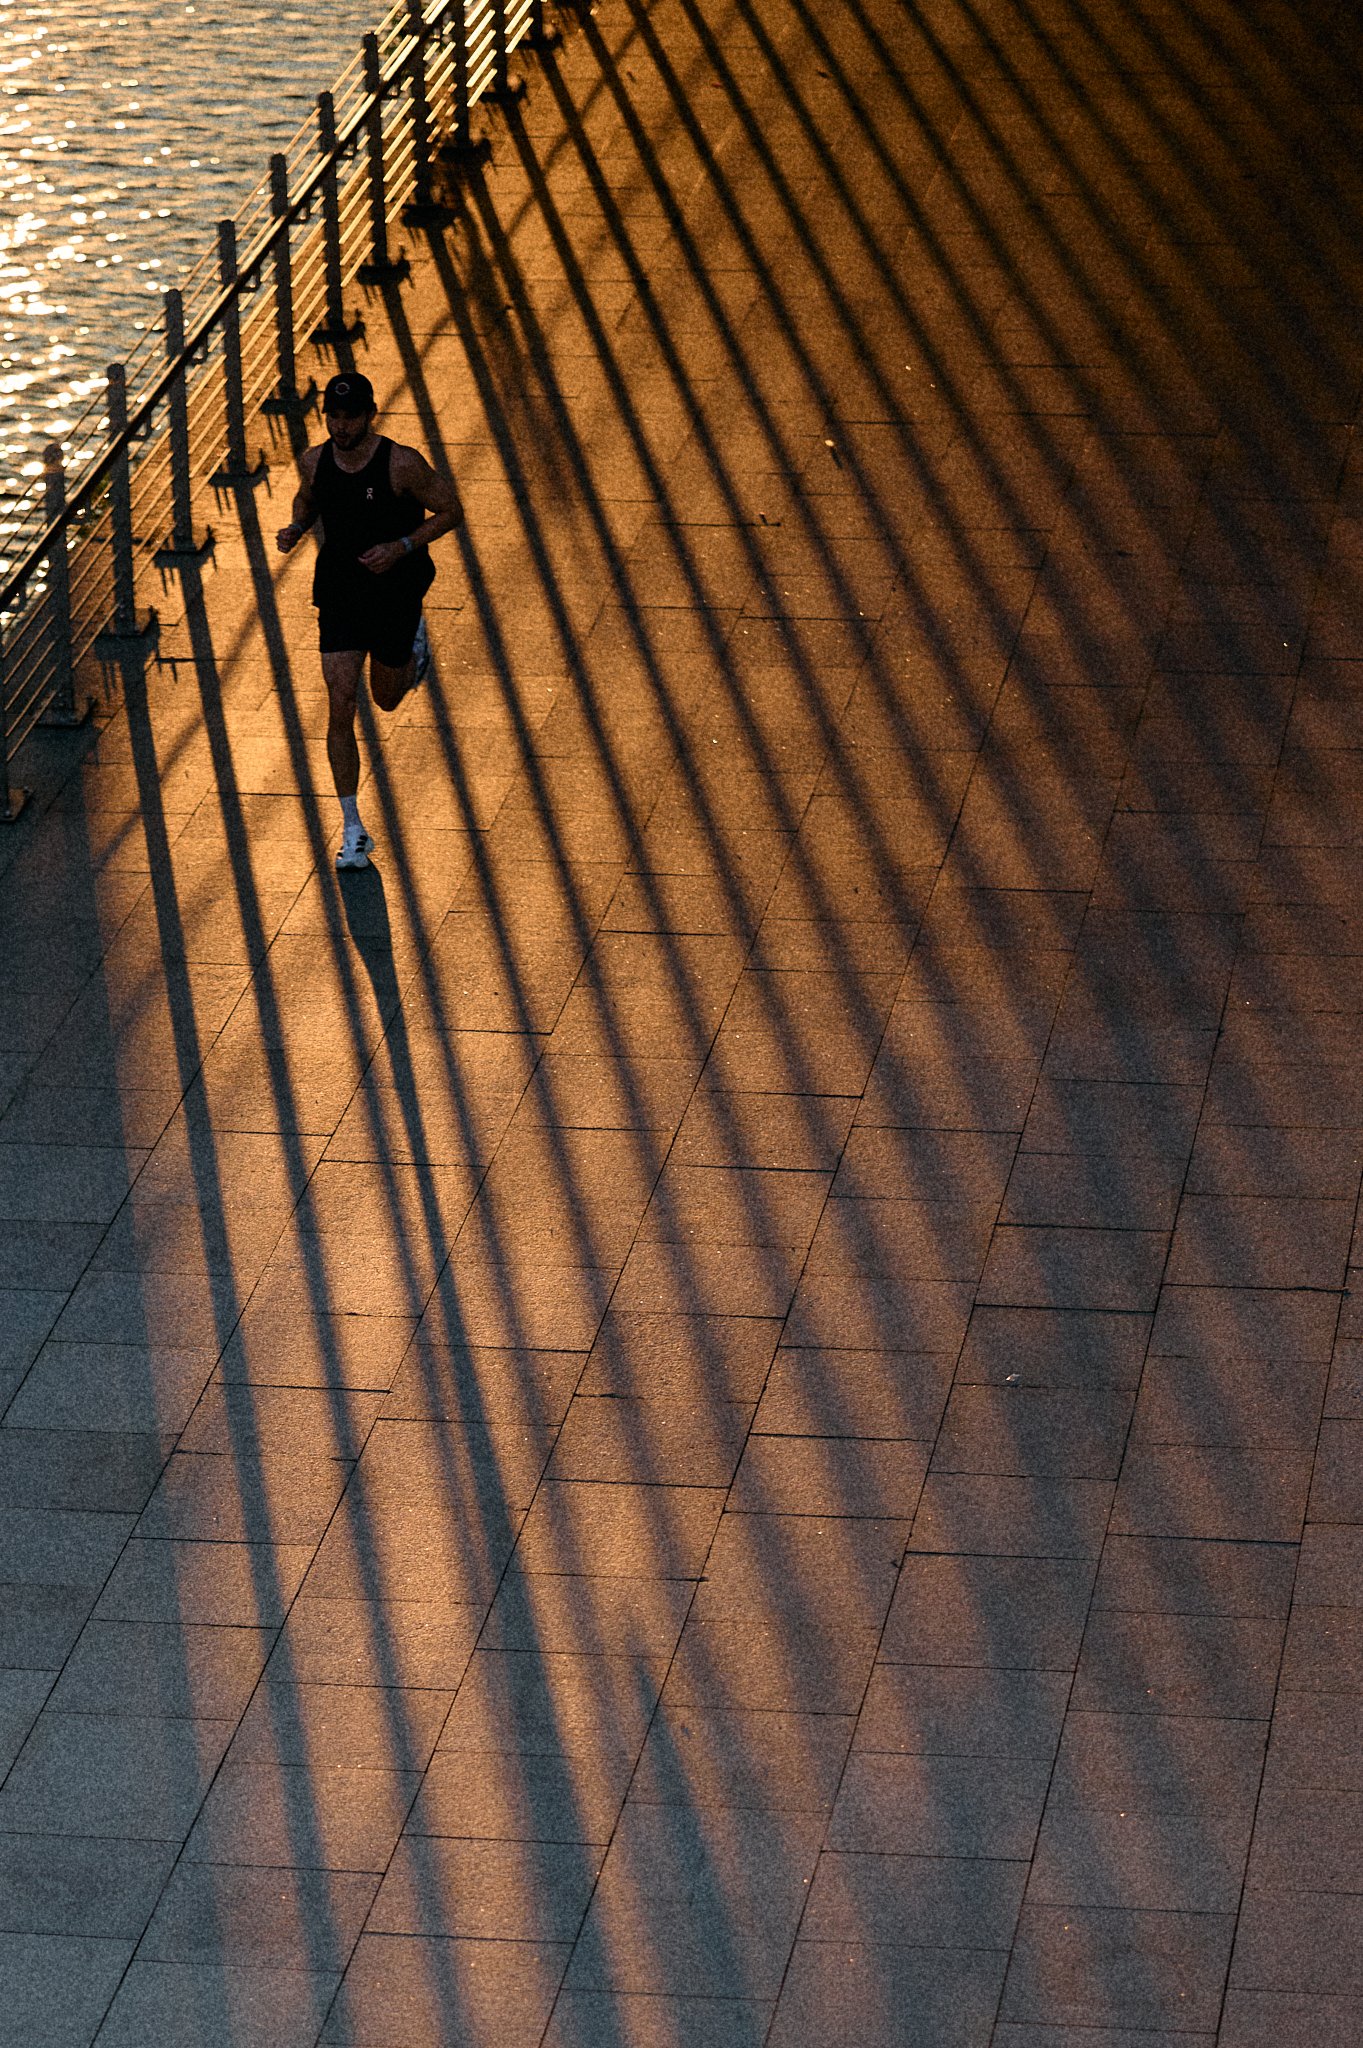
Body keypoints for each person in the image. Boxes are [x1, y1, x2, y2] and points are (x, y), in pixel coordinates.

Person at [276, 371, 463, 869]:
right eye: (333, 417)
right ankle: (352, 828)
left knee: (385, 698)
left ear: (369, 413)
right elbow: (308, 498)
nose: (340, 427)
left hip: (395, 592)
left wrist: (401, 546)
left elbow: (449, 510)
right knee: (340, 702)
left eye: (350, 416)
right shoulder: (314, 460)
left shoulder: (401, 463)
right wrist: (297, 525)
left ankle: (412, 651)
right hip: (339, 591)